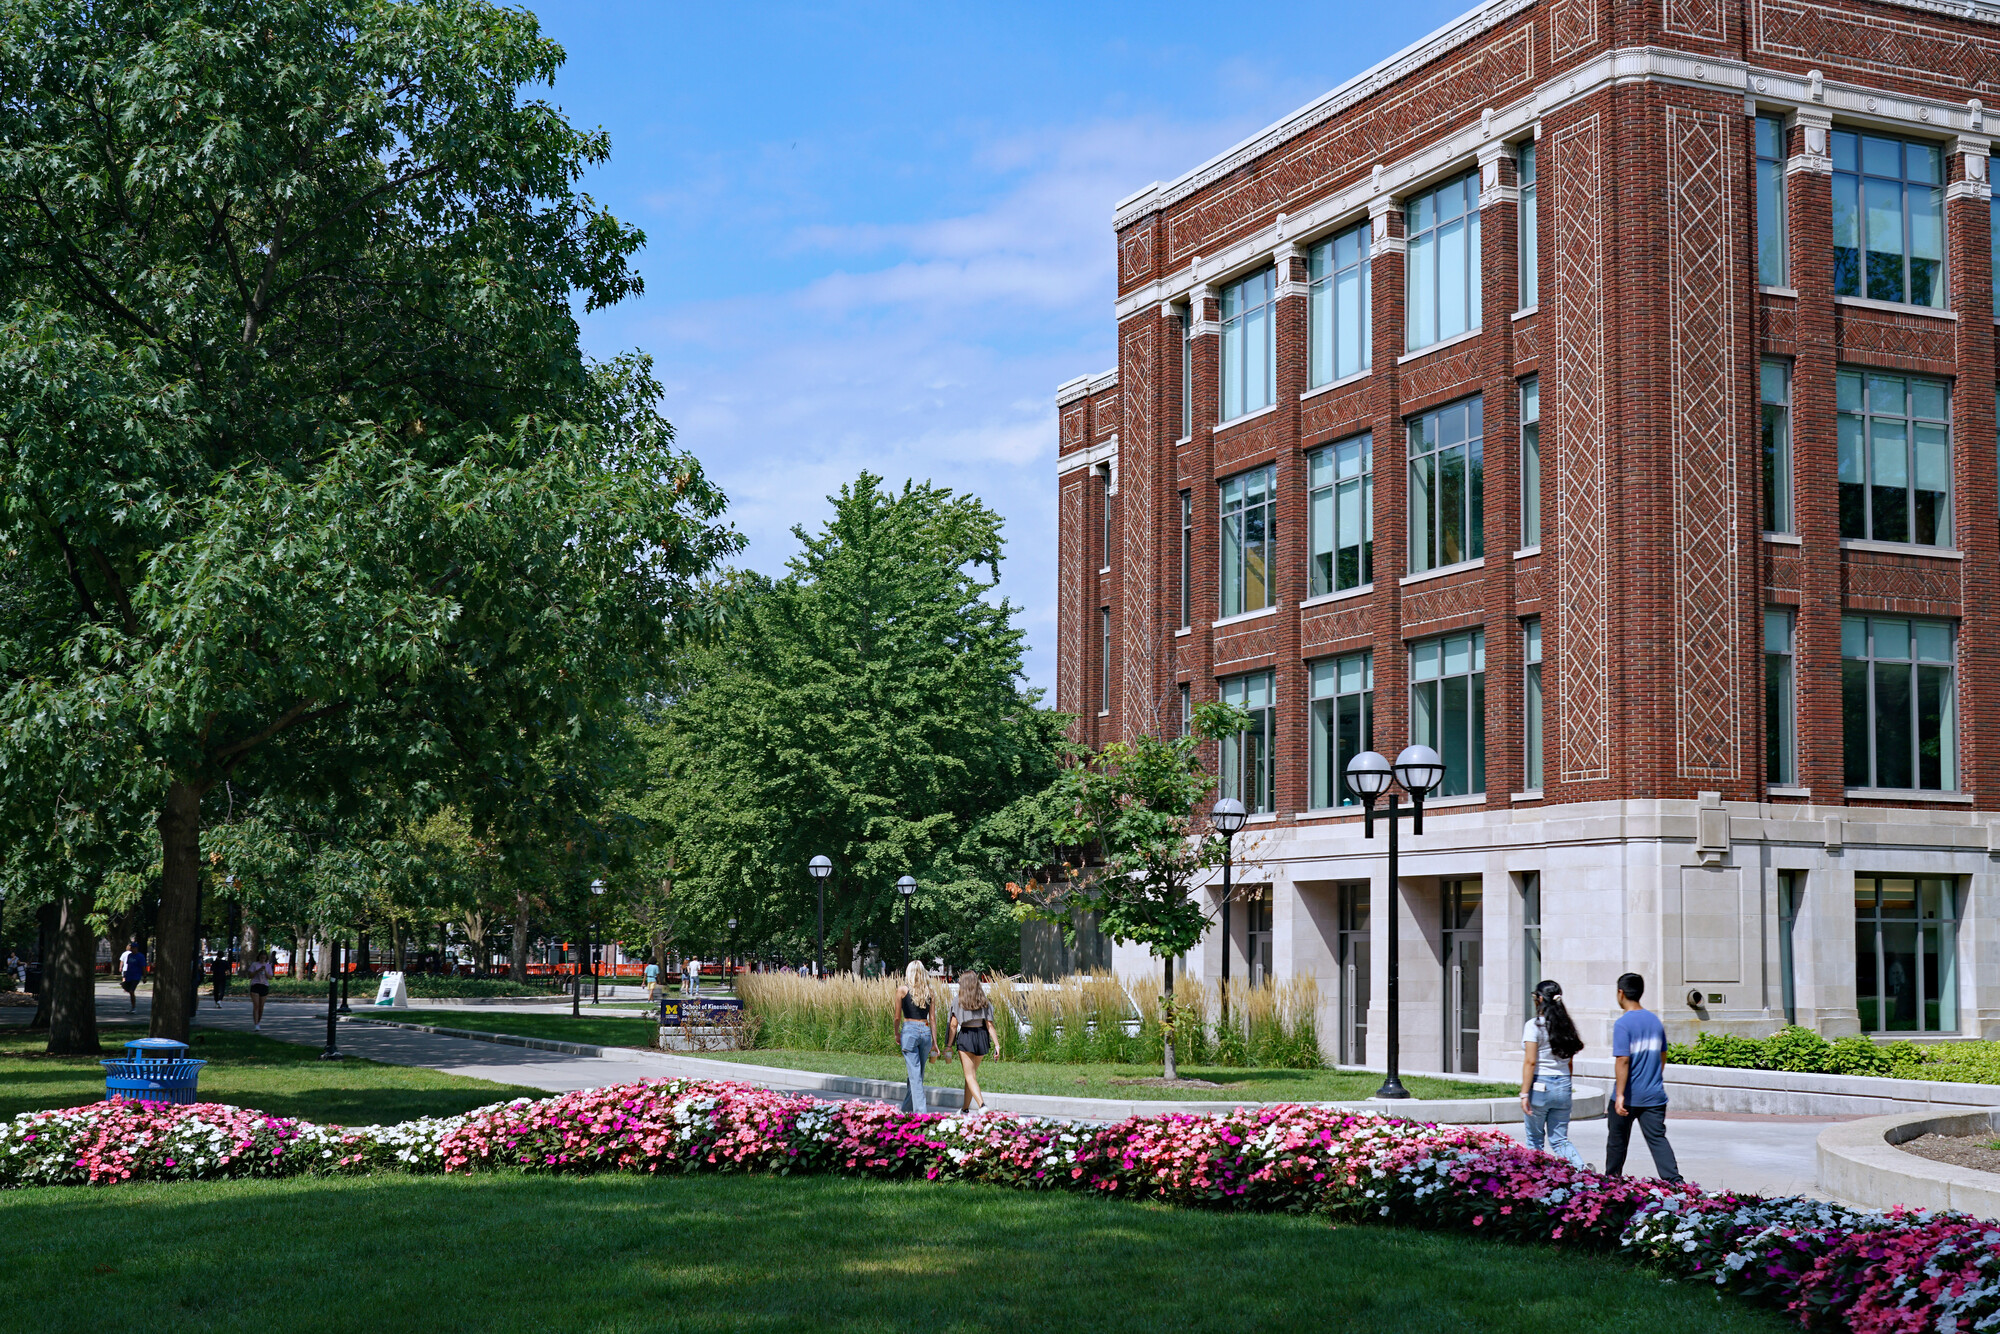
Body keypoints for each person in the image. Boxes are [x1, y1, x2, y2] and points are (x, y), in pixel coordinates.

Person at [1606, 971, 1682, 1182]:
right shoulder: (1655, 1021)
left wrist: (1620, 1095)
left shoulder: (1623, 1024)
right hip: (1654, 1095)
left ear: (1620, 993)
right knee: (1658, 1140)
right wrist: (1654, 1076)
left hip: (1629, 1096)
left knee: (1617, 1142)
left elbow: (1623, 1059)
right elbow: (1663, 1054)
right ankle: (1676, 1183)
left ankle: (1611, 1183)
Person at [1518, 978, 1584, 1167]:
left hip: (1540, 1085)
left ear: (1539, 999)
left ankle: (1535, 1181)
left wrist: (1524, 1093)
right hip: (1563, 1084)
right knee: (1560, 1140)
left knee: (1534, 1140)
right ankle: (1583, 1173)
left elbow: (1530, 1062)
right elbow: (1570, 1062)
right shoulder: (1567, 1026)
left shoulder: (1534, 1025)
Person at [892, 961, 942, 1114]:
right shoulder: (930, 992)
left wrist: (896, 1033)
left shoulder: (902, 990)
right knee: (917, 1074)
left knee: (915, 1075)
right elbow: (933, 1018)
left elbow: (897, 1017)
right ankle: (906, 1109)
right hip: (925, 1030)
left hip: (910, 1031)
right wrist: (935, 1041)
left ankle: (921, 1113)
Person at [948, 971, 997, 1113]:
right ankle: (964, 1109)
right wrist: (997, 1045)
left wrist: (949, 1045)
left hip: (966, 1036)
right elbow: (990, 1025)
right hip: (982, 1036)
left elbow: (953, 1025)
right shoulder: (984, 1001)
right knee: (970, 1076)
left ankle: (982, 1105)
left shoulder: (958, 1000)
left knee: (969, 1076)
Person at [243, 947, 275, 1031]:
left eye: (264, 957)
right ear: (259, 957)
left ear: (266, 958)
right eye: (261, 957)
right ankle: (256, 1024)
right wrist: (258, 970)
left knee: (261, 1007)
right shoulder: (254, 964)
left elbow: (270, 977)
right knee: (256, 1006)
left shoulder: (268, 966)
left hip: (264, 986)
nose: (262, 958)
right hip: (255, 985)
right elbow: (250, 976)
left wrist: (266, 972)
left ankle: (259, 1022)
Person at [120, 941, 147, 1012]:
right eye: (131, 948)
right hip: (129, 975)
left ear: (136, 948)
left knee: (131, 991)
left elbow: (143, 967)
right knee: (125, 987)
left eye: (133, 948)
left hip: (136, 976)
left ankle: (133, 1008)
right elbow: (128, 965)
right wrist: (125, 975)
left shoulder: (140, 956)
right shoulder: (130, 955)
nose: (131, 949)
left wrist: (144, 977)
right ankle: (133, 1004)